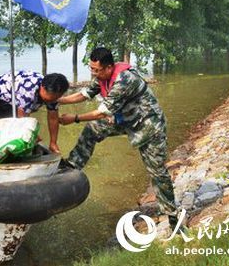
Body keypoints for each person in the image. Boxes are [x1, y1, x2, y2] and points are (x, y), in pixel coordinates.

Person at [57, 47, 179, 228]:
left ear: (109, 67)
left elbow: (101, 112)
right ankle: (73, 165)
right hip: (126, 119)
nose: (93, 73)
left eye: (96, 70)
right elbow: (85, 94)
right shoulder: (102, 77)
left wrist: (74, 118)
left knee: (157, 172)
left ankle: (172, 217)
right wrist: (58, 100)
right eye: (91, 68)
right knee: (92, 130)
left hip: (148, 124)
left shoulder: (124, 80)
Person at [0, 71, 69, 153]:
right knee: (11, 126)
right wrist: (34, 135)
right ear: (43, 88)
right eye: (50, 98)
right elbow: (22, 120)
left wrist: (53, 142)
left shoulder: (54, 95)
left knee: (26, 132)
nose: (53, 100)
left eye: (56, 97)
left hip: (17, 93)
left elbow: (53, 118)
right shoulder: (28, 92)